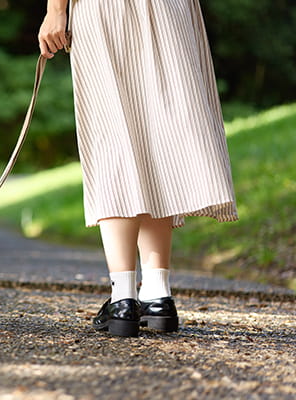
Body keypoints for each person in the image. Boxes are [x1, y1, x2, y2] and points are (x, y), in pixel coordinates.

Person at [38, 0, 238, 337]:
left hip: (105, 10)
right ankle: (158, 293)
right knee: (157, 139)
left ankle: (123, 298)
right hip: (171, 10)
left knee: (114, 139)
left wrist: (56, 9)